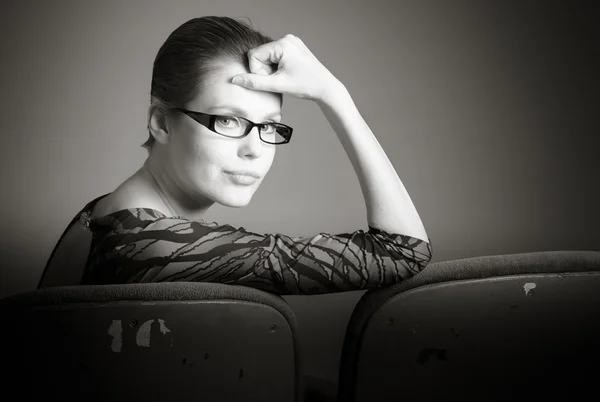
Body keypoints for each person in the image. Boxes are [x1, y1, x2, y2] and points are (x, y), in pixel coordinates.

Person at [71, 16, 432, 295]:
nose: (255, 149)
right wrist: (336, 97)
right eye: (228, 120)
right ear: (162, 123)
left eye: (270, 126)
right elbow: (403, 251)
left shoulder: (116, 213)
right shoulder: (155, 243)